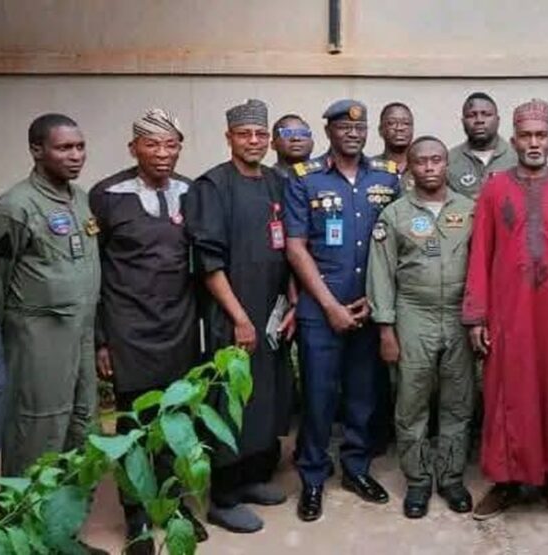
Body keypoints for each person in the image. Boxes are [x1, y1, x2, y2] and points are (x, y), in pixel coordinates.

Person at [464, 99, 548, 523]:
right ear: (514, 140)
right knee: (506, 394)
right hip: (507, 315)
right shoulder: (494, 189)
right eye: (526, 136)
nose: (534, 143)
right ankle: (504, 483)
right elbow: (480, 254)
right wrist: (477, 315)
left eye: (541, 135)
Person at [90, 109, 206, 552]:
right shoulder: (107, 196)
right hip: (128, 330)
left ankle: (174, 507)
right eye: (152, 144)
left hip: (179, 325)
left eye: (171, 144)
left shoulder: (192, 192)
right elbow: (92, 271)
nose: (162, 153)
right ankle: (136, 517)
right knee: (133, 428)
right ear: (133, 148)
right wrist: (101, 339)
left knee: (175, 423)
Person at [284, 99, 400, 522]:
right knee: (318, 396)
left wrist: (376, 298)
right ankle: (313, 477)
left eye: (360, 127)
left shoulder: (386, 176)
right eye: (344, 127)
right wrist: (330, 306)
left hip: (368, 308)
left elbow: (395, 241)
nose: (353, 133)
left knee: (362, 395)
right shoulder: (305, 178)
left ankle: (356, 468)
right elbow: (296, 247)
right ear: (329, 132)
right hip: (321, 310)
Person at [184, 99, 296, 534]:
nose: (254, 141)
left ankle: (251, 478)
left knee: (264, 397)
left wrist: (292, 302)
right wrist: (240, 318)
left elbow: (290, 247)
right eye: (245, 134)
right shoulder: (212, 186)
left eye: (260, 134)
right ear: (228, 138)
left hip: (272, 311)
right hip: (232, 314)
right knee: (230, 402)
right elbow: (208, 262)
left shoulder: (276, 182)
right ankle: (224, 496)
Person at [367, 136, 476, 519]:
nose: (429, 167)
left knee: (458, 401)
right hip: (413, 313)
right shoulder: (394, 215)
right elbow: (381, 274)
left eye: (437, 160)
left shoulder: (470, 210)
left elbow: (484, 266)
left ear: (448, 164)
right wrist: (385, 328)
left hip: (460, 317)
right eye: (421, 161)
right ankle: (417, 480)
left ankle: (450, 476)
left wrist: (481, 318)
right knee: (411, 401)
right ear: (409, 168)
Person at [0, 114, 100, 477]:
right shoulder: (15, 207)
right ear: (37, 150)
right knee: (38, 430)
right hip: (37, 339)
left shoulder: (81, 200)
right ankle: (28, 512)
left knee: (82, 425)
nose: (76, 156)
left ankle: (70, 512)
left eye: (80, 147)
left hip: (81, 335)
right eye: (64, 148)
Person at [447, 92, 517, 199]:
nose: (479, 120)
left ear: (498, 120)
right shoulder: (450, 160)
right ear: (463, 122)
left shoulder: (516, 157)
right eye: (471, 115)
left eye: (486, 114)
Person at [372, 102, 414, 177]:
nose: (399, 128)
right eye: (391, 123)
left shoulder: (421, 167)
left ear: (412, 129)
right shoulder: (370, 167)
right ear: (380, 130)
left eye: (406, 123)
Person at [271, 114, 315, 179]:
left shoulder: (326, 178)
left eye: (303, 133)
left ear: (312, 143)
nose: (296, 138)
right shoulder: (264, 180)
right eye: (287, 133)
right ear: (273, 144)